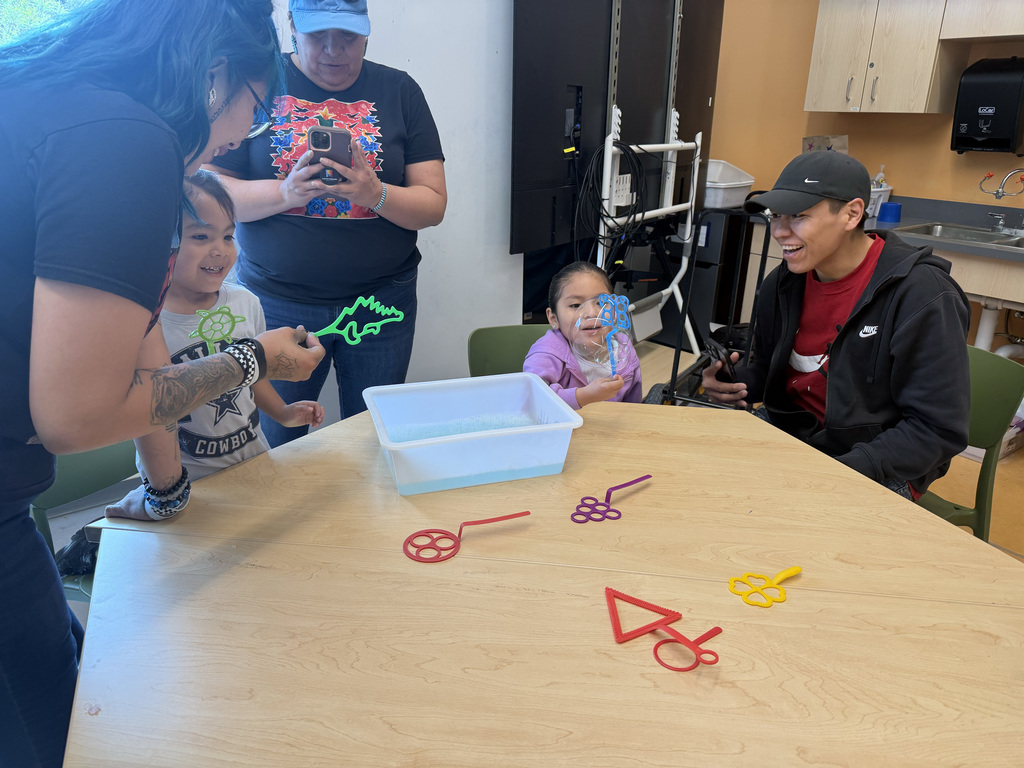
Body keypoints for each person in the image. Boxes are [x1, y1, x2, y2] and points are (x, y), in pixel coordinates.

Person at [0, 2, 325, 765]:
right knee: (61, 729)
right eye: (247, 114)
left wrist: (169, 487)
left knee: (72, 681)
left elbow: (133, 337)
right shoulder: (125, 138)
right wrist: (252, 360)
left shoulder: (46, 98)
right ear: (214, 74)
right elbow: (78, 414)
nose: (234, 140)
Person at [208, 0, 447, 447]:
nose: (334, 50)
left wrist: (373, 194)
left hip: (380, 303)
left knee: (374, 437)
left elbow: (432, 205)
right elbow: (211, 191)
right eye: (319, 36)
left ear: (368, 32)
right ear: (293, 26)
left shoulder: (399, 90)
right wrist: (285, 193)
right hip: (277, 300)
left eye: (349, 37)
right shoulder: (257, 81)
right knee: (276, 440)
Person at [701, 151, 970, 499]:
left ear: (852, 213)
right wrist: (737, 384)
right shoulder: (782, 284)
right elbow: (771, 370)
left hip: (879, 460)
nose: (780, 231)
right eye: (776, 215)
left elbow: (937, 430)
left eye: (798, 216)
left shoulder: (923, 296)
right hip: (795, 432)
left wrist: (835, 473)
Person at [103, 170, 325, 522]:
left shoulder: (245, 302)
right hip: (183, 485)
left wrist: (282, 413)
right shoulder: (145, 324)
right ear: (163, 241)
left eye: (228, 236)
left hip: (252, 460)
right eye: (201, 236)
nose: (220, 250)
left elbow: (254, 372)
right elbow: (144, 410)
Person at [525, 261, 643, 409]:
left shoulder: (623, 350)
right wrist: (585, 396)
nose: (592, 313)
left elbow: (633, 408)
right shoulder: (547, 353)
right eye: (575, 305)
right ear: (554, 318)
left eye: (601, 302)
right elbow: (533, 399)